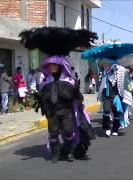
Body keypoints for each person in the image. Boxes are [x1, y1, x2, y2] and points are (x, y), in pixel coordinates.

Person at [19, 27, 97, 163]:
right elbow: (43, 100)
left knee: (68, 132)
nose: (52, 67)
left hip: (66, 113)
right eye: (50, 65)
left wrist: (78, 99)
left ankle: (68, 152)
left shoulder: (69, 81)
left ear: (60, 66)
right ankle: (55, 154)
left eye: (55, 65)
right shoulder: (45, 83)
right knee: (53, 134)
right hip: (53, 114)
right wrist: (38, 100)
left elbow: (78, 99)